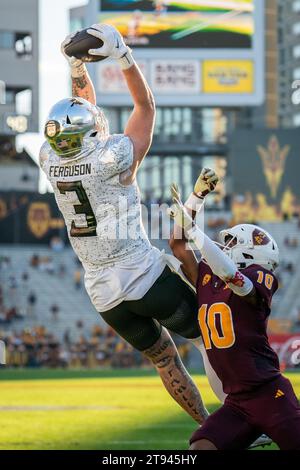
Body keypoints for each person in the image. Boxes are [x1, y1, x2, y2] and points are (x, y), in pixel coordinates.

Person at [38, 23, 209, 424]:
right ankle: (238, 421)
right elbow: (145, 107)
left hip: (103, 292)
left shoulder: (49, 158)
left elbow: (83, 118)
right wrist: (123, 56)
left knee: (165, 360)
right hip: (141, 272)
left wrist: (76, 67)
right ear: (89, 132)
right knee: (208, 341)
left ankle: (207, 424)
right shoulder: (110, 156)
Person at [169, 177, 300, 450]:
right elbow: (178, 245)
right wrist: (196, 198)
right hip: (237, 401)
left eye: (231, 242)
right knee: (200, 448)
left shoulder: (259, 276)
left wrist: (195, 231)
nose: (225, 247)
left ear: (249, 252)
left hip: (269, 393)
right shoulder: (208, 277)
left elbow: (235, 278)